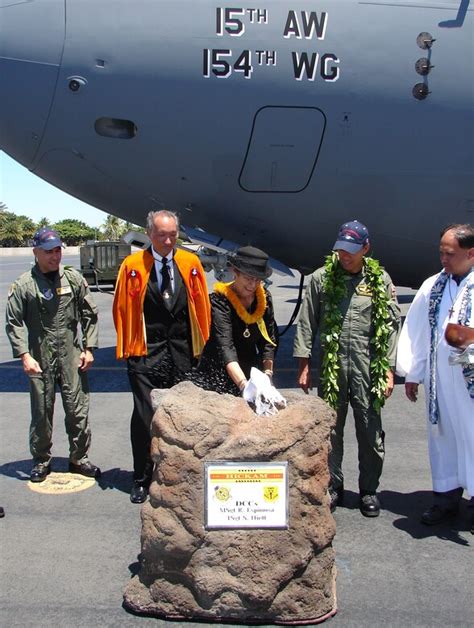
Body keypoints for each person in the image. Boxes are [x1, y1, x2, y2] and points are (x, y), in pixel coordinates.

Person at [293, 220, 401, 517]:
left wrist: (389, 370)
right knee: (331, 431)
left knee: (370, 431)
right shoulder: (321, 279)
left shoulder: (379, 281)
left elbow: (391, 327)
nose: (344, 256)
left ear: (366, 248)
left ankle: (368, 490)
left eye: (351, 251)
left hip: (368, 370)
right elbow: (307, 321)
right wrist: (303, 364)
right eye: (340, 250)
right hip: (333, 369)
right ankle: (334, 486)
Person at [113, 210, 211, 503]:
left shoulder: (190, 263)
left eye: (172, 235)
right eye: (160, 235)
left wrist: (201, 349)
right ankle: (142, 478)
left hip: (182, 353)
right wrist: (129, 349)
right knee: (144, 419)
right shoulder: (132, 266)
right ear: (149, 234)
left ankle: (181, 476)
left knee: (183, 418)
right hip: (145, 353)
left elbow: (202, 306)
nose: (167, 241)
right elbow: (121, 309)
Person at [5, 228, 100, 482]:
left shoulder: (73, 280)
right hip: (40, 354)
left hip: (71, 353)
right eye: (48, 251)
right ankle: (41, 460)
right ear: (35, 252)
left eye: (58, 250)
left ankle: (79, 458)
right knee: (42, 411)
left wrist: (89, 348)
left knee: (78, 409)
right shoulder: (25, 285)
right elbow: (13, 322)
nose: (54, 256)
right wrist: (24, 355)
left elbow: (89, 313)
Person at [397, 224, 473, 531]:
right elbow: (416, 331)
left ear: (471, 253)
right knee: (443, 438)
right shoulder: (433, 285)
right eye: (441, 252)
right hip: (441, 379)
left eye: (450, 254)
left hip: (470, 381)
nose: (443, 258)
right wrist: (413, 374)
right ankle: (445, 499)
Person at [195, 246, 278, 395]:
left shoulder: (264, 298)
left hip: (249, 369)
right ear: (235, 272)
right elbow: (226, 347)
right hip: (219, 372)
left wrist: (267, 375)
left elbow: (268, 342)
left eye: (257, 280)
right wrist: (244, 386)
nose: (252, 285)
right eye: (248, 278)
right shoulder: (220, 301)